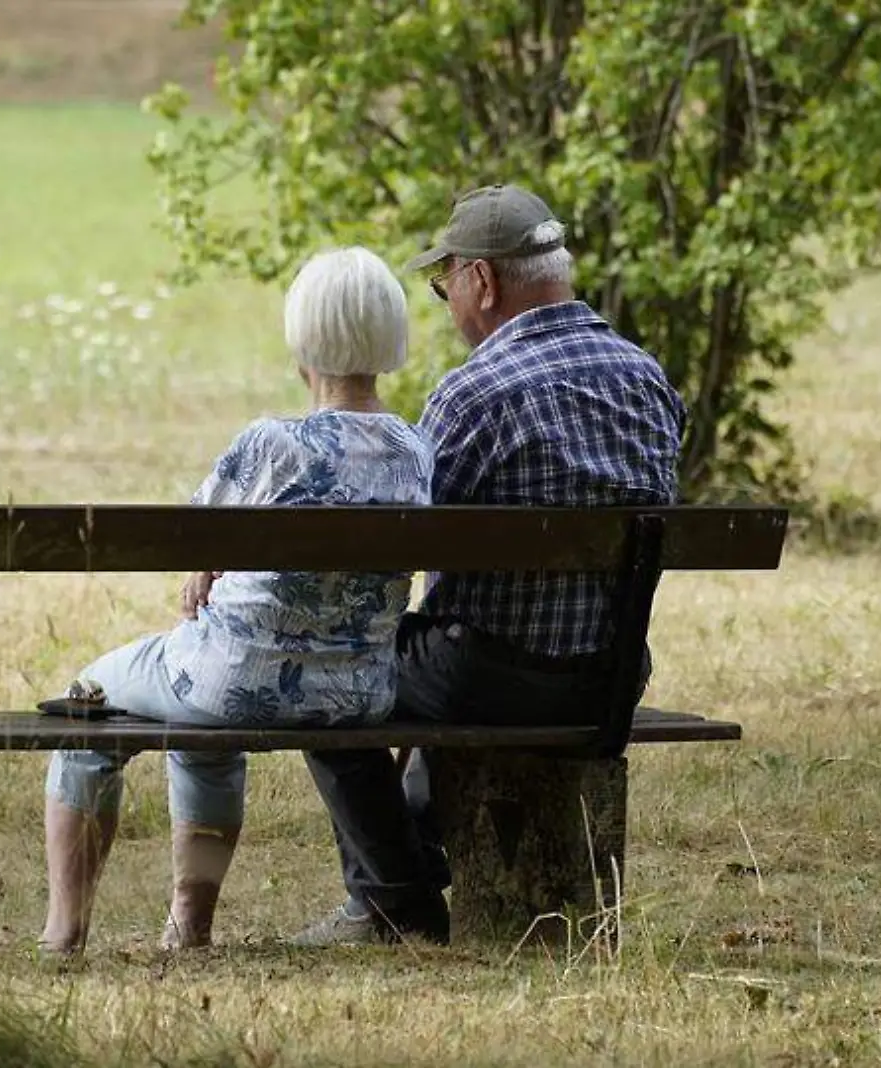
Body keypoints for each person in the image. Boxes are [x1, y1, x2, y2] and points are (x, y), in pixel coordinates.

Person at [289, 184, 688, 947]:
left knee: (321, 672)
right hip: (609, 677)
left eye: (445, 288)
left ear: (482, 281)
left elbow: (401, 542)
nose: (447, 305)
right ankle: (402, 875)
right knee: (439, 657)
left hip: (489, 678)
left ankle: (396, 900)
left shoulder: (473, 395)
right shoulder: (648, 380)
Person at [39, 246, 436, 955]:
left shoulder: (270, 445)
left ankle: (65, 930)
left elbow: (187, 541)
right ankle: (187, 924)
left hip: (233, 682)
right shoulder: (415, 450)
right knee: (200, 719)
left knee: (87, 700)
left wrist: (207, 565)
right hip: (357, 694)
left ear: (302, 340)